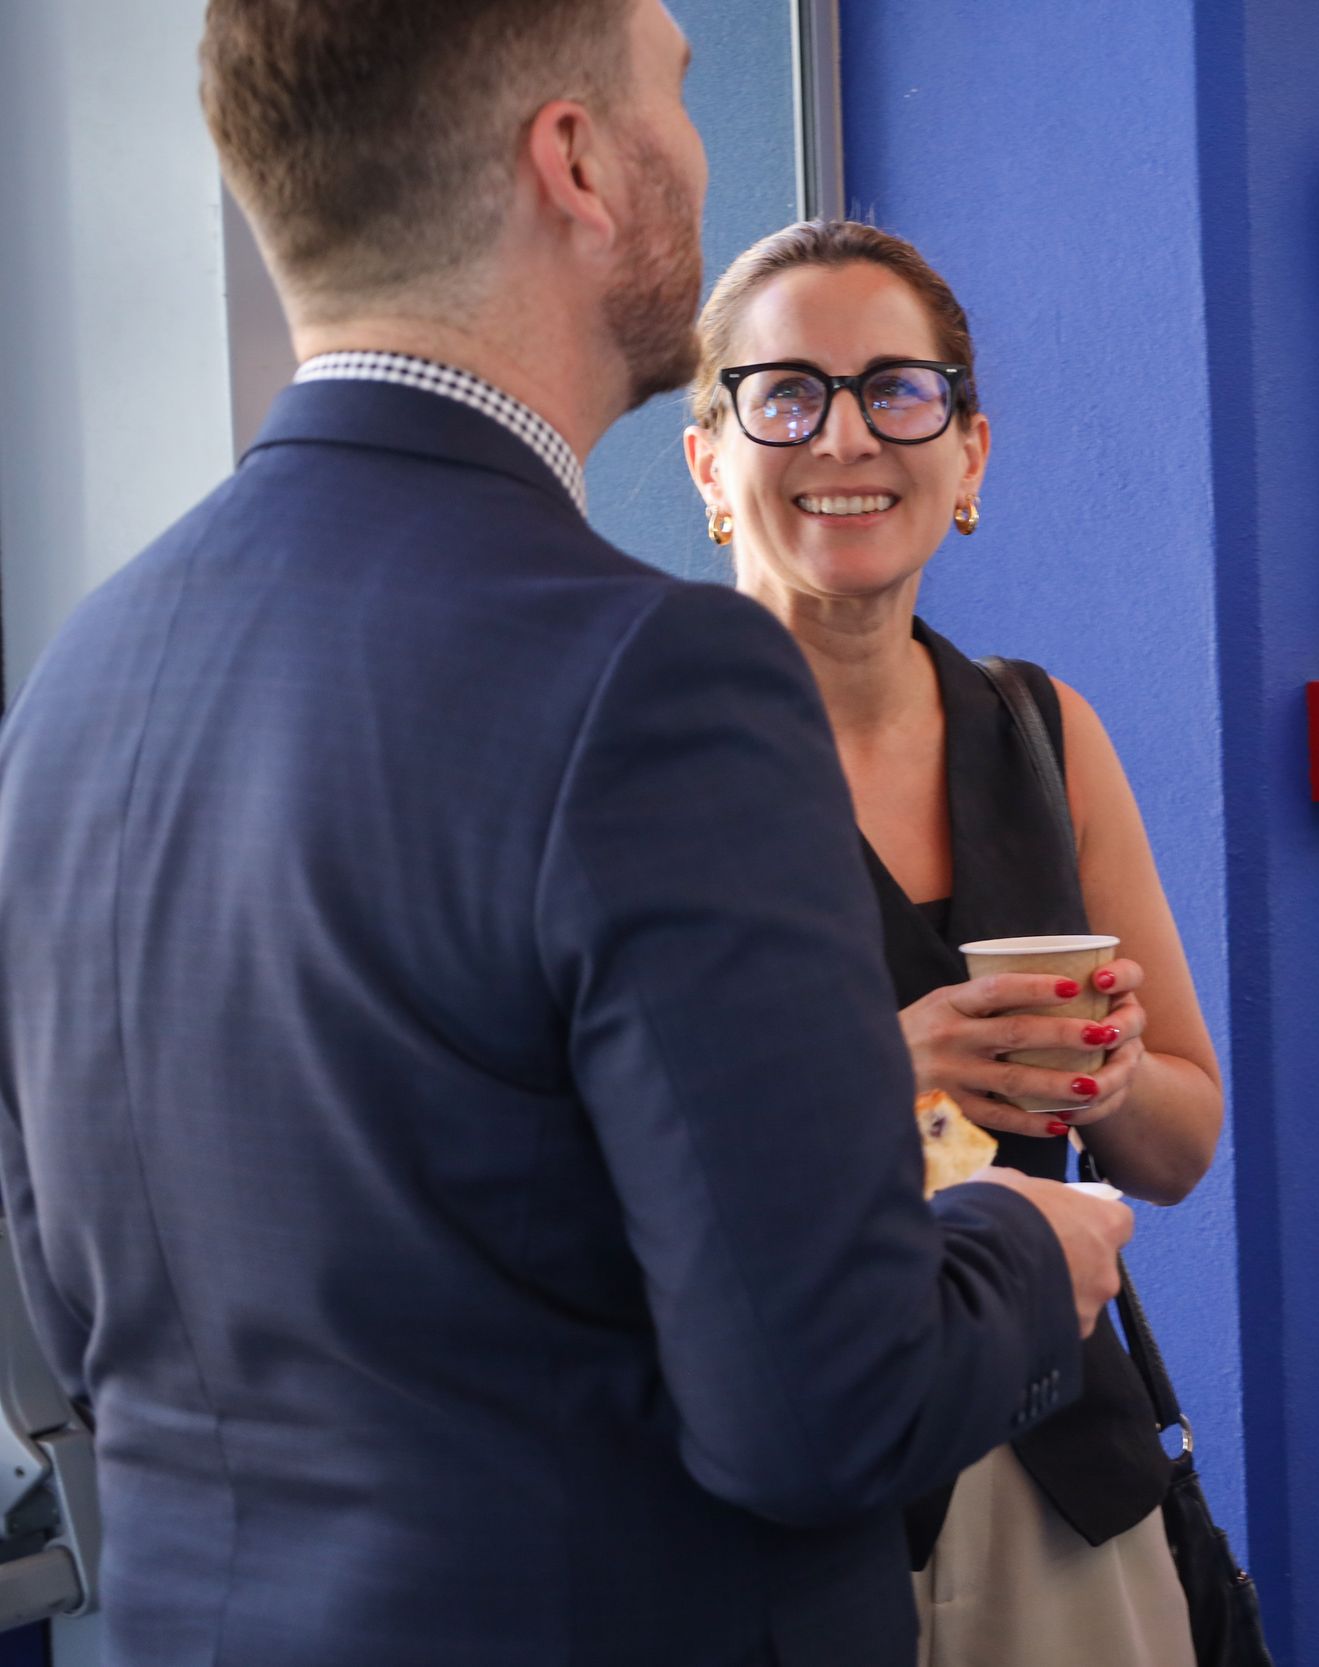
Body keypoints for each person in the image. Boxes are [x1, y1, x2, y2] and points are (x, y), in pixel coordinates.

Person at [0, 5, 1128, 1665]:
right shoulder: (658, 678)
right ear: (579, 164)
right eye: (677, 88)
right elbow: (822, 1411)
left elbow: (75, 1321)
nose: (699, 150)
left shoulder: (84, 675)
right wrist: (1024, 1246)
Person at [681, 220, 1222, 1667]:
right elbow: (573, 1181)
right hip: (779, 1491)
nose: (846, 434)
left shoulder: (1041, 731)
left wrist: (1102, 1072)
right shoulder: (641, 759)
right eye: (785, 395)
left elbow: (1181, 1147)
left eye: (897, 390)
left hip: (1054, 1472)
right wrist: (891, 1068)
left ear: (968, 454)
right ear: (709, 465)